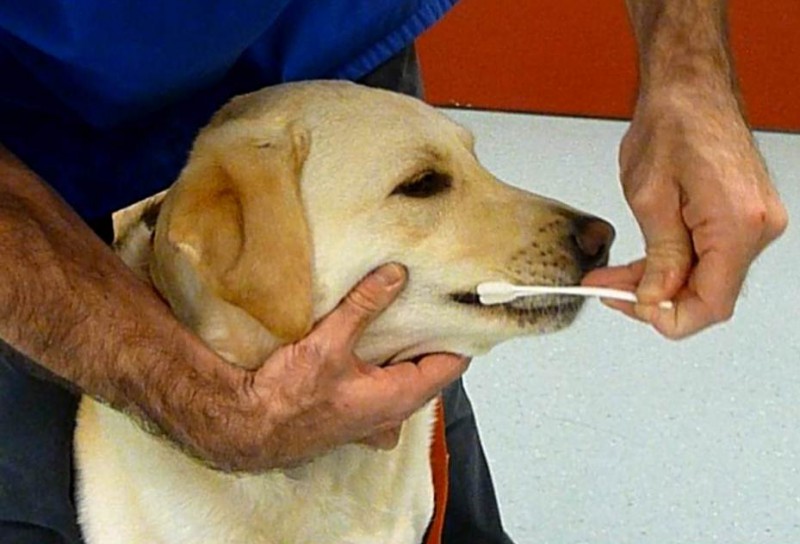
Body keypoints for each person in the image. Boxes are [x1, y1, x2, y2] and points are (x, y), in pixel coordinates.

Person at [0, 1, 787, 543]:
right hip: (28, 119)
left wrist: (689, 72)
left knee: (423, 479)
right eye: (425, 186)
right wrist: (195, 400)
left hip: (326, 46)